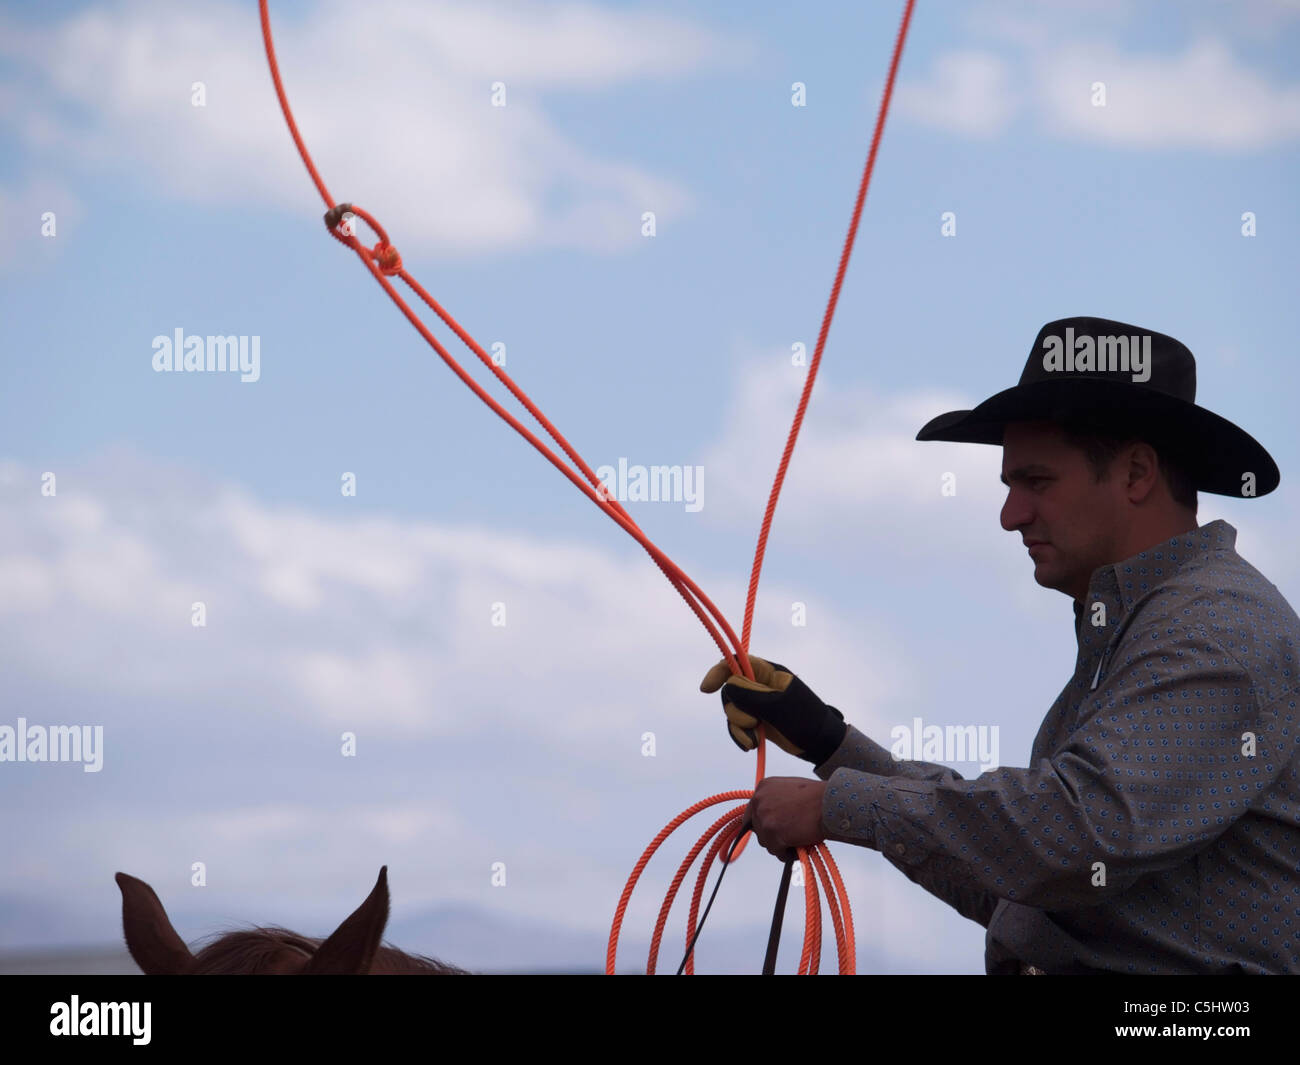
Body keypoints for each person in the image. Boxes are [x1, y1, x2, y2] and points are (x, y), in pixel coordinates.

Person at [701, 316, 1298, 974]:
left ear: (1134, 473)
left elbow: (1075, 835)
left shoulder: (1218, 623)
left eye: (1036, 482)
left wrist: (838, 805)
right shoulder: (1153, 624)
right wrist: (828, 742)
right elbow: (1024, 884)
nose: (1010, 514)